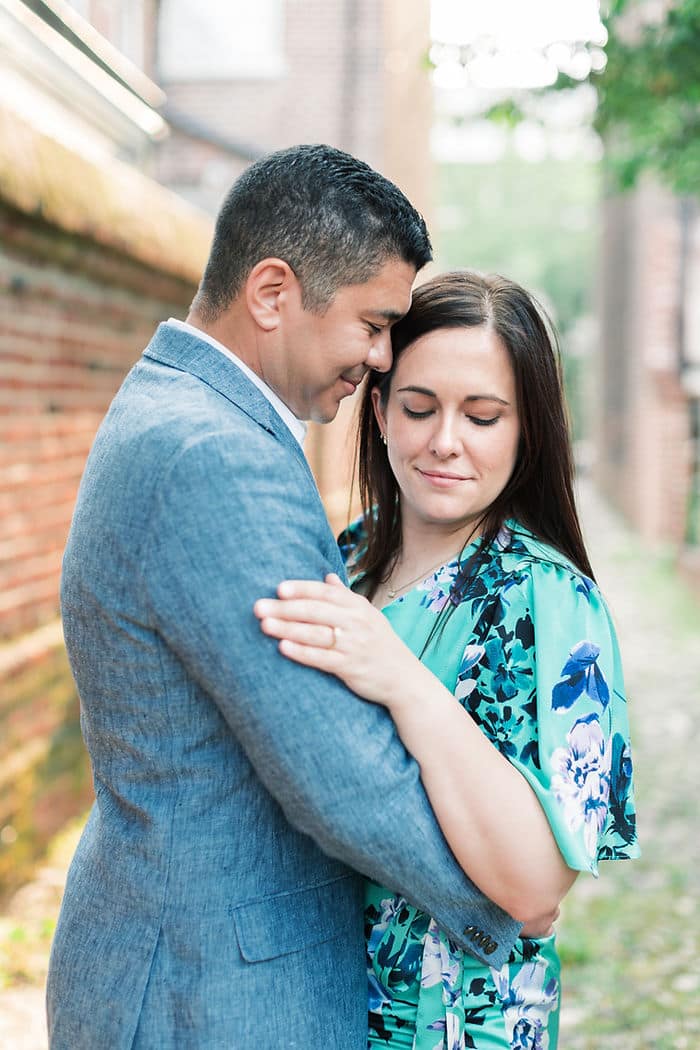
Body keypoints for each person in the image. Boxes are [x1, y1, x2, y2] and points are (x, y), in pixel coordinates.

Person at [46, 149, 539, 1050]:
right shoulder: (217, 456)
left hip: (172, 955)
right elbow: (335, 769)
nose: (381, 357)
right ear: (273, 293)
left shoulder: (174, 407)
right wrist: (510, 899)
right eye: (373, 323)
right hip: (214, 991)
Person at [254, 270, 640, 1048]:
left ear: (528, 430)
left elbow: (534, 888)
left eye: (484, 416)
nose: (444, 442)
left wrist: (401, 678)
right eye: (419, 408)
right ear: (380, 412)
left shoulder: (546, 599)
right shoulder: (346, 557)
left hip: (457, 1020)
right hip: (313, 999)